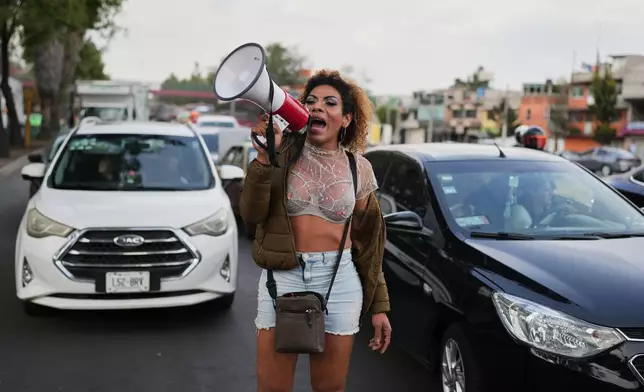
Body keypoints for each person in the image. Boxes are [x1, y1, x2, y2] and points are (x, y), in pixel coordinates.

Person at [240, 69, 392, 392]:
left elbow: (369, 242)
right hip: (282, 278)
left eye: (330, 102)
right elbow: (251, 214)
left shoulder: (358, 168)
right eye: (311, 101)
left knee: (330, 388)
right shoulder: (281, 154)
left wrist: (379, 306)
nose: (318, 107)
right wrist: (264, 158)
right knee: (271, 387)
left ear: (347, 118)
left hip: (340, 283)